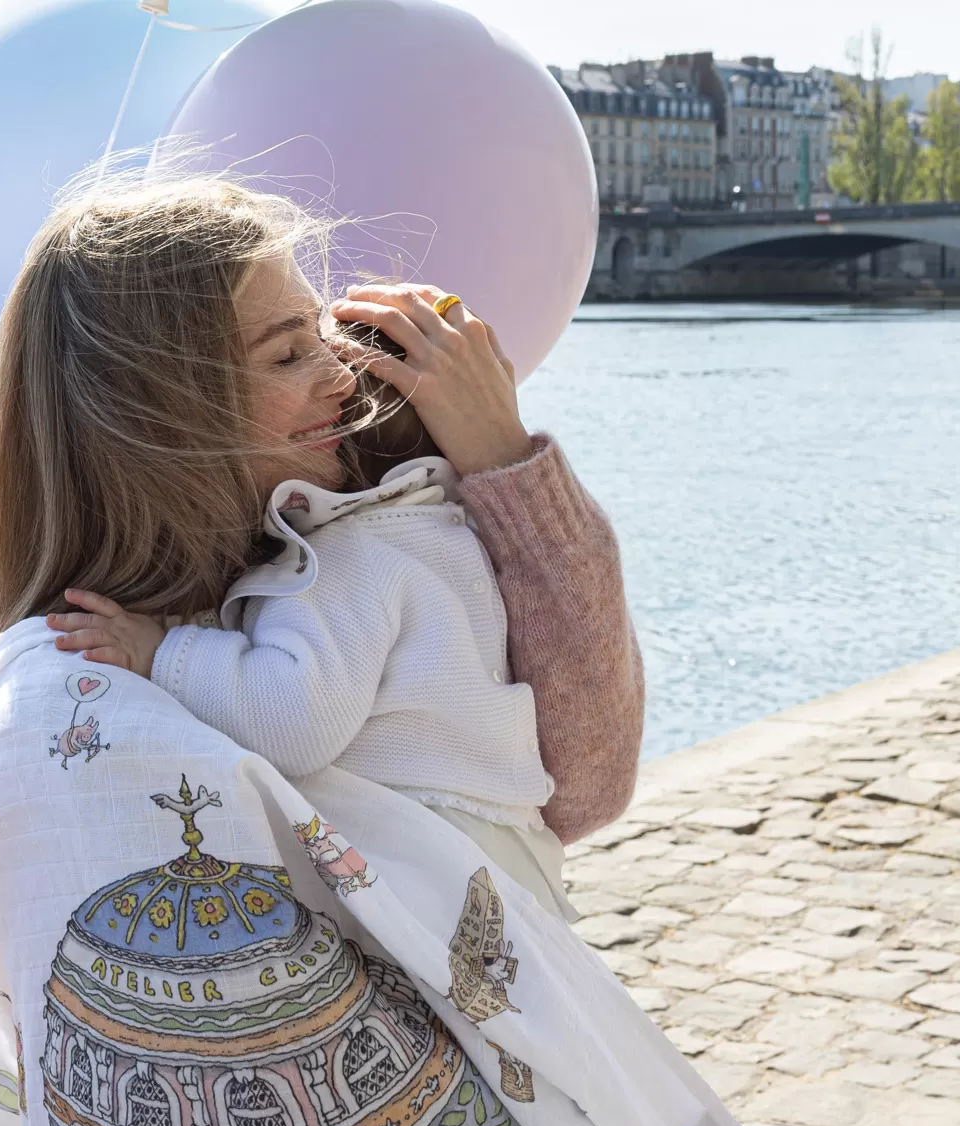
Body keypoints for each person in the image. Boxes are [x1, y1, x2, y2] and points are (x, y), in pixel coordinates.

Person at [0, 174, 799, 1126]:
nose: (341, 369)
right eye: (291, 350)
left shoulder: (333, 547)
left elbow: (582, 779)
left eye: (328, 333)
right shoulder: (73, 696)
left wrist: (505, 467)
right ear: (160, 407)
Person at [43, 251, 603, 919]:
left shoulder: (346, 557)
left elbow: (292, 720)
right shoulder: (445, 535)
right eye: (289, 356)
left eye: (328, 357)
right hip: (509, 855)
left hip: (427, 862)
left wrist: (161, 651)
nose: (338, 380)